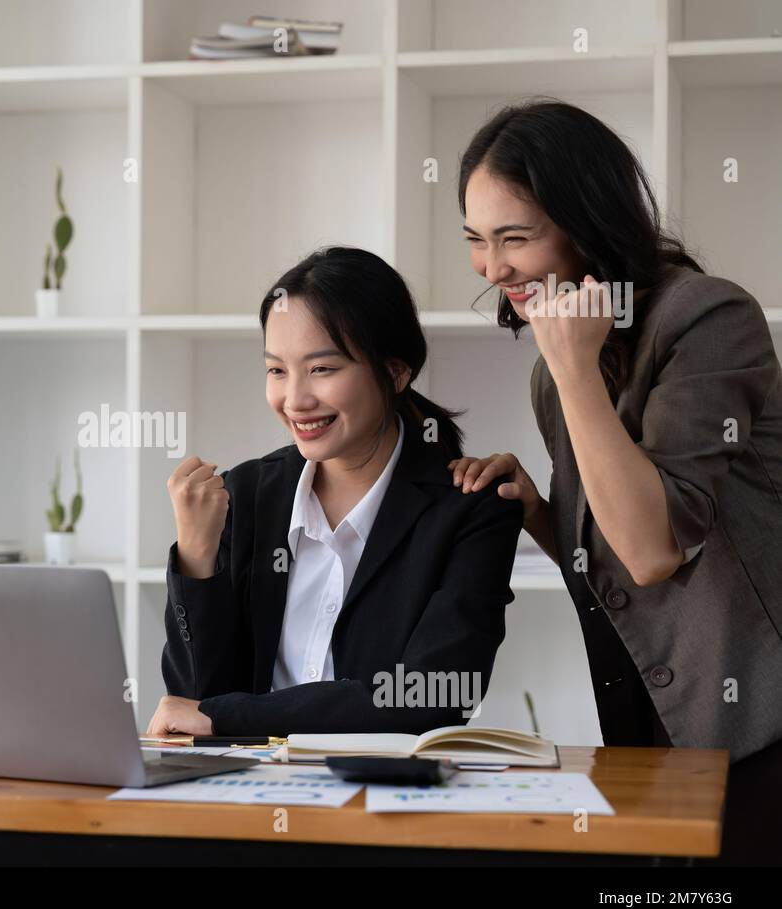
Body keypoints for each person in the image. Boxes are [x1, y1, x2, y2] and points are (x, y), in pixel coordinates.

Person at [450, 99, 782, 863]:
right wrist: (542, 514)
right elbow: (610, 563)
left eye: (514, 238)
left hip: (760, 727)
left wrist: (571, 371)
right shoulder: (561, 371)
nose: (492, 268)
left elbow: (654, 549)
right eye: (475, 240)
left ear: (584, 221)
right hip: (656, 730)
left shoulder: (705, 317)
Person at [146, 247, 522, 738]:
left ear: (395, 371)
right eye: (277, 370)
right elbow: (193, 702)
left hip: (379, 800)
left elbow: (435, 695)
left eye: (322, 369)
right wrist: (197, 559)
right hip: (247, 795)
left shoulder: (470, 507)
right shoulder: (244, 494)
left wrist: (230, 716)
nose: (295, 399)